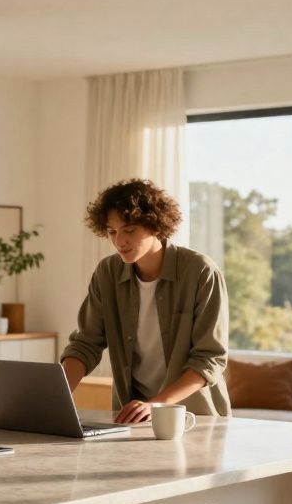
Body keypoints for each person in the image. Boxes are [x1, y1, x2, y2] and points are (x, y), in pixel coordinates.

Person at [60, 178, 231, 424]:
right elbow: (86, 344)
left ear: (156, 226)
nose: (119, 241)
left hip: (195, 419)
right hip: (131, 419)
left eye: (129, 230)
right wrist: (53, 398)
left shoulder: (200, 272)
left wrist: (156, 405)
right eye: (112, 232)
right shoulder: (107, 273)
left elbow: (210, 359)